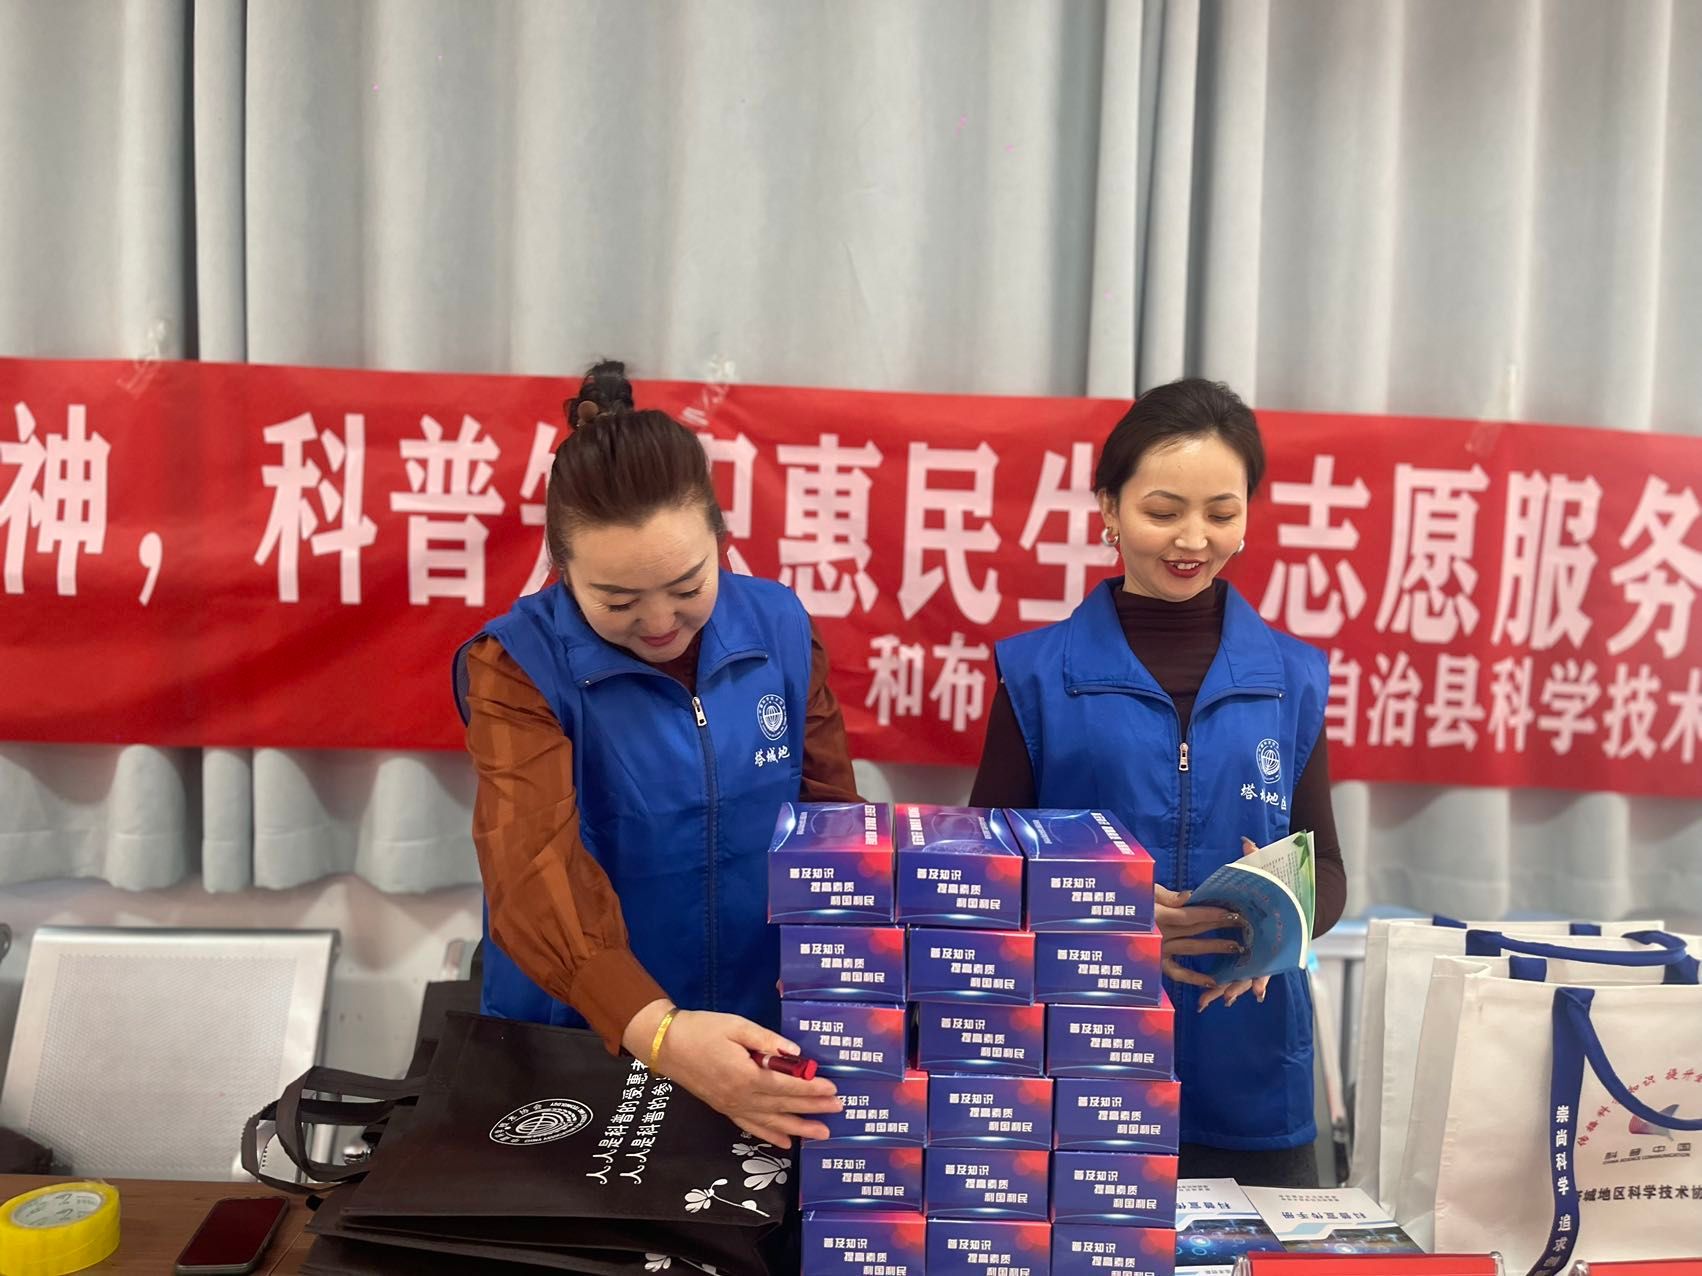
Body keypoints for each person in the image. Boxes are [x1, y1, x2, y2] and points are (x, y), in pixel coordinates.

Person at [454, 360, 855, 1148]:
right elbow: (532, 873)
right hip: (585, 1041)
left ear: (721, 541)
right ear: (563, 572)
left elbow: (833, 825)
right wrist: (660, 1032)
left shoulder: (778, 627)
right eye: (619, 601)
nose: (661, 621)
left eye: (687, 584)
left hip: (758, 1038)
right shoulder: (517, 665)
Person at [970, 377, 1347, 1187]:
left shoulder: (1292, 677)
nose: (1193, 539)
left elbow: (1330, 872)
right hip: (1079, 1065)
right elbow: (982, 871)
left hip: (1251, 1075)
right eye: (1164, 510)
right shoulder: (1035, 675)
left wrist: (1280, 921)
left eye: (1221, 512)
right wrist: (1112, 911)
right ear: (1109, 507)